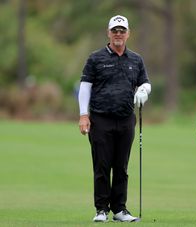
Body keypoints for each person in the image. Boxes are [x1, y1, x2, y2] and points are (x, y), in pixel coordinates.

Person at [78, 15, 151, 222]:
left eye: (122, 30)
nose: (118, 34)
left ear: (128, 33)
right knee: (102, 165)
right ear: (108, 33)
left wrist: (144, 91)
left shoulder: (136, 59)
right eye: (115, 30)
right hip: (100, 119)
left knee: (121, 166)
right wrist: (84, 114)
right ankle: (101, 209)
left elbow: (145, 83)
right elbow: (85, 87)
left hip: (126, 118)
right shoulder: (95, 58)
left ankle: (120, 210)